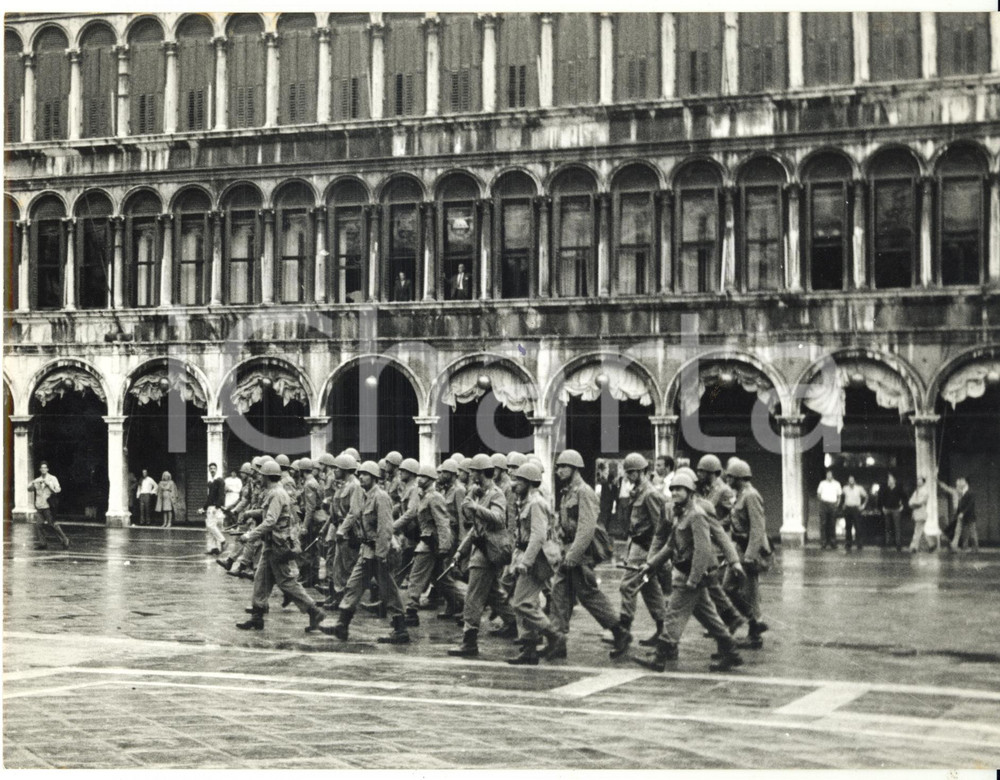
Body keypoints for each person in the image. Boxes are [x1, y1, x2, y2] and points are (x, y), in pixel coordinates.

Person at [634, 472, 743, 673]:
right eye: (672, 489)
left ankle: (659, 658)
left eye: (679, 489)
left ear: (690, 491)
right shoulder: (680, 514)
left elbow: (703, 550)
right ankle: (731, 651)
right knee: (707, 615)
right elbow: (669, 545)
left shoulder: (697, 515)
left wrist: (693, 579)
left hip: (690, 576)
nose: (674, 492)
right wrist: (650, 564)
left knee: (673, 614)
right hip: (686, 573)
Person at [550, 449, 632, 660]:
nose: (559, 470)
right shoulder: (567, 492)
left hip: (579, 554)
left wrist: (573, 555)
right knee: (559, 594)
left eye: (564, 467)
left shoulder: (584, 492)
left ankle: (619, 631)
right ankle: (558, 641)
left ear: (575, 468)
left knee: (588, 594)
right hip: (568, 550)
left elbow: (586, 528)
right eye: (558, 467)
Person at [321, 460, 410, 644]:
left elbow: (385, 529)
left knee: (389, 591)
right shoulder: (364, 496)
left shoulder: (381, 497)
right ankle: (342, 625)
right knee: (353, 586)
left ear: (375, 477)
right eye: (360, 474)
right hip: (366, 551)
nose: (361, 477)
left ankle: (400, 629)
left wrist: (381, 554)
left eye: (366, 474)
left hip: (378, 552)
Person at [235, 460, 327, 633]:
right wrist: (249, 513)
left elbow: (270, 521)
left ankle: (314, 611)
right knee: (261, 580)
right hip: (271, 545)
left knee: (286, 582)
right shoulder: (273, 492)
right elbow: (268, 514)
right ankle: (257, 617)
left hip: (277, 546)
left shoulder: (277, 493)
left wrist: (250, 535)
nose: (259, 477)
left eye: (261, 475)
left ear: (267, 477)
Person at [447, 454, 509, 658]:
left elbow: (499, 519)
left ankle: (469, 642)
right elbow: (475, 529)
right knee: (495, 596)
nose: (470, 474)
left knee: (473, 597)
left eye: (474, 471)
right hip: (481, 548)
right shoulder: (479, 493)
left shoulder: (496, 494)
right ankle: (520, 624)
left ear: (483, 472)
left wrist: (477, 507)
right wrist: (460, 551)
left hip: (488, 551)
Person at [505, 462, 565, 665]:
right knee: (523, 603)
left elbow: (538, 536)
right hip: (525, 556)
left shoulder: (536, 503)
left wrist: (526, 562)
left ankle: (554, 635)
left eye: (519, 481)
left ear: (529, 482)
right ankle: (529, 649)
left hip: (536, 560)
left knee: (522, 603)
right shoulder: (525, 502)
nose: (514, 484)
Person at [617, 452, 668, 654]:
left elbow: (660, 527)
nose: (629, 476)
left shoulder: (650, 494)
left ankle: (624, 631)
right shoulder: (638, 491)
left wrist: (656, 556)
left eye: (632, 473)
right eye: (628, 473)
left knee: (627, 586)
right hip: (637, 546)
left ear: (642, 472)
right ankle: (663, 631)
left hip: (646, 549)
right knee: (650, 590)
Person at [726, 459, 771, 650]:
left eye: (730, 476)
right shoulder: (741, 495)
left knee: (750, 592)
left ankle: (755, 633)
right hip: (740, 549)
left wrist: (750, 555)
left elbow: (757, 528)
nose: (727, 479)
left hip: (749, 551)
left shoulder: (751, 496)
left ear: (738, 477)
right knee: (728, 587)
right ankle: (753, 621)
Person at [402, 464, 453, 627]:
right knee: (442, 581)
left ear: (431, 480)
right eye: (419, 476)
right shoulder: (423, 497)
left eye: (423, 477)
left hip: (430, 544)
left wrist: (445, 546)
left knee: (416, 577)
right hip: (427, 541)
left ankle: (411, 612)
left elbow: (443, 522)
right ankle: (463, 602)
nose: (419, 479)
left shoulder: (434, 497)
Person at [28, 461, 69, 550]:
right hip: (39, 505)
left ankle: (65, 540)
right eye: (42, 468)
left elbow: (57, 490)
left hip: (48, 506)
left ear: (47, 469)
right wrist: (32, 483)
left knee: (52, 524)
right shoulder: (37, 480)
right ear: (40, 469)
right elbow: (29, 489)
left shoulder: (52, 478)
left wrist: (49, 484)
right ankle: (43, 544)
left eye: (45, 468)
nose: (43, 469)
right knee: (39, 525)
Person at [939, 476, 979, 553]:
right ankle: (956, 546)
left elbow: (969, 505)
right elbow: (948, 489)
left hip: (967, 515)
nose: (957, 486)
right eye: (957, 484)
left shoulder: (967, 492)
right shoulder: (957, 492)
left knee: (970, 531)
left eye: (959, 483)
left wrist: (962, 513)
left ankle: (973, 547)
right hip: (959, 515)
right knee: (958, 531)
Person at [198, 462, 227, 555]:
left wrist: (217, 506)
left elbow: (221, 495)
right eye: (211, 468)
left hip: (215, 507)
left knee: (211, 526)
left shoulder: (219, 480)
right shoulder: (211, 481)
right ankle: (214, 548)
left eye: (214, 468)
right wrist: (204, 507)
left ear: (217, 469)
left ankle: (223, 541)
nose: (212, 470)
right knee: (211, 528)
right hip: (211, 506)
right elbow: (210, 497)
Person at [816, 470, 842, 550]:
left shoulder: (837, 484)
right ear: (826, 476)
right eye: (827, 475)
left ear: (832, 475)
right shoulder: (822, 483)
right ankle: (823, 543)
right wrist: (822, 501)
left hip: (833, 504)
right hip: (824, 504)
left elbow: (839, 495)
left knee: (832, 524)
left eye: (830, 475)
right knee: (823, 524)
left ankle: (833, 543)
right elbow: (818, 494)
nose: (829, 476)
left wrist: (837, 504)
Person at [879, 473, 906, 552]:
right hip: (887, 509)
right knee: (887, 527)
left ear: (894, 481)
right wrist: (883, 507)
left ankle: (898, 544)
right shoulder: (886, 489)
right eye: (888, 480)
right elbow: (882, 498)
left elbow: (904, 497)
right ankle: (888, 543)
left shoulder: (898, 489)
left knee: (897, 527)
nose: (890, 481)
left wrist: (902, 506)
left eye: (891, 480)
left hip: (896, 509)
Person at [841, 475, 867, 552]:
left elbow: (866, 496)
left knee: (858, 527)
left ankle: (859, 544)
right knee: (848, 527)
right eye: (850, 480)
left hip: (856, 508)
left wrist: (863, 505)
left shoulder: (859, 488)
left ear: (854, 481)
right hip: (848, 508)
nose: (851, 481)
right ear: (848, 481)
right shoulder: (845, 488)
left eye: (852, 480)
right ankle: (848, 544)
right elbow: (842, 496)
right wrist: (843, 504)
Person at [908, 477, 931, 553]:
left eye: (920, 481)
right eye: (918, 481)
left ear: (923, 483)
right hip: (917, 513)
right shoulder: (916, 492)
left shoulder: (925, 491)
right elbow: (911, 501)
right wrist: (912, 504)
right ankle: (931, 544)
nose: (918, 482)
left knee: (917, 530)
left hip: (921, 512)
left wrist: (914, 504)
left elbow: (921, 502)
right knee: (920, 530)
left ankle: (914, 547)